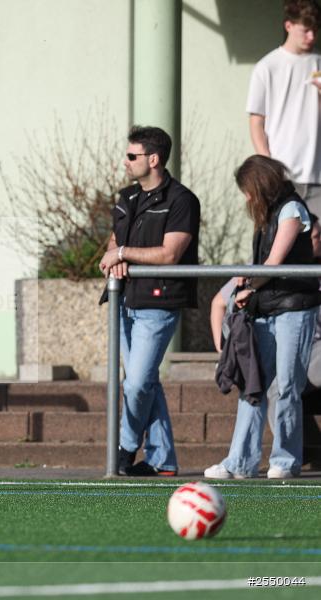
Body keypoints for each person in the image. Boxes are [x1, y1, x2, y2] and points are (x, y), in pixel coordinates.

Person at [205, 156, 321, 480]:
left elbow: (273, 262)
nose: (247, 198)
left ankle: (284, 460)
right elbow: (262, 265)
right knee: (252, 385)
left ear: (261, 185)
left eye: (248, 190)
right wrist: (247, 290)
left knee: (286, 386)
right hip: (267, 308)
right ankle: (240, 462)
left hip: (295, 308)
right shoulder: (266, 213)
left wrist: (248, 287)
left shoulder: (292, 209)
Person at [99, 126, 201, 477]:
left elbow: (170, 254)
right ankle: (163, 461)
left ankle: (125, 448)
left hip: (158, 303)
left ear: (153, 159)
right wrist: (115, 255)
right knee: (144, 382)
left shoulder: (181, 200)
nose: (125, 162)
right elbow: (114, 244)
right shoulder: (125, 198)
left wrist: (125, 252)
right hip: (123, 302)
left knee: (138, 383)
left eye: (132, 156)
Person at [247, 0, 321, 215]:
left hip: (317, 175)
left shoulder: (319, 62)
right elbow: (256, 122)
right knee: (283, 242)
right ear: (288, 26)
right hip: (282, 178)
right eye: (306, 31)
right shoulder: (266, 67)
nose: (312, 37)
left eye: (315, 31)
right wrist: (269, 168)